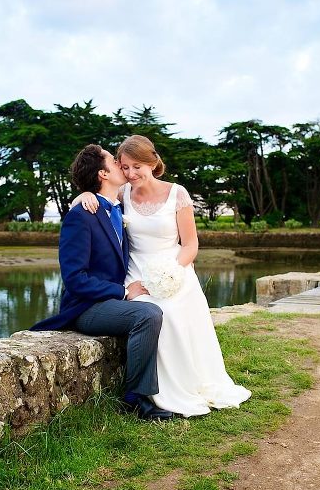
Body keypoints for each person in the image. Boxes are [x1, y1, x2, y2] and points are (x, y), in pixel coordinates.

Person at [75, 135, 251, 417]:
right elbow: (99, 197)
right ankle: (148, 395)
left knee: (170, 311)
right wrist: (81, 195)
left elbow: (191, 244)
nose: (131, 174)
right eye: (125, 167)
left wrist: (171, 271)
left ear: (152, 162)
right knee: (150, 313)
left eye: (137, 167)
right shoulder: (123, 195)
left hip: (174, 269)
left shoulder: (177, 193)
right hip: (134, 275)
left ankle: (180, 387)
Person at [30, 144, 174, 421]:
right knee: (148, 314)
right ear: (102, 174)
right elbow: (74, 279)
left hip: (110, 302)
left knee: (162, 308)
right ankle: (135, 398)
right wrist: (121, 291)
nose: (121, 163)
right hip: (87, 307)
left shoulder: (117, 208)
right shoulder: (80, 217)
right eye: (113, 160)